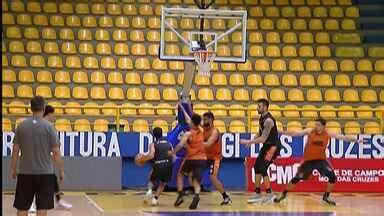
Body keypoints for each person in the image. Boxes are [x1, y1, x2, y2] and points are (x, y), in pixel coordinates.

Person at [274, 118, 363, 205]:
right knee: (297, 178)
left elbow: (344, 138)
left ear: (323, 126)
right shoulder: (310, 131)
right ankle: (283, 194)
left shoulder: (328, 134)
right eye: (315, 125)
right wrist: (280, 132)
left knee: (332, 177)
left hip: (321, 160)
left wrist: (356, 140)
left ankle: (326, 197)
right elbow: (295, 134)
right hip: (308, 161)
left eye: (318, 125)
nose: (316, 126)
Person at [10, 96, 64, 216]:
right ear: (43, 108)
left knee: (22, 208)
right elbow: (56, 152)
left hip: (25, 173)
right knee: (42, 209)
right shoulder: (49, 127)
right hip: (45, 174)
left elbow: (15, 150)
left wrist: (13, 169)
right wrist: (60, 171)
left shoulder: (21, 126)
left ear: (31, 108)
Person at [28, 105, 72, 212]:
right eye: (53, 115)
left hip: (44, 159)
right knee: (35, 181)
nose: (54, 117)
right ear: (49, 114)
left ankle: (58, 201)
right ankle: (31, 204)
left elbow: (53, 144)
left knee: (52, 178)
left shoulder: (48, 126)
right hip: (36, 158)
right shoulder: (43, 126)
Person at [240, 98, 282, 204]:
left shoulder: (268, 120)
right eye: (257, 106)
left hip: (273, 146)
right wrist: (252, 140)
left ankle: (270, 194)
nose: (257, 108)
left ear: (265, 107)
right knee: (256, 167)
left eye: (259, 106)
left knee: (263, 168)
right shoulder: (261, 118)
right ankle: (258, 193)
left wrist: (248, 142)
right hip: (266, 146)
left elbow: (263, 138)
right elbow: (260, 133)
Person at [173, 113, 207, 209]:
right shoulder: (202, 131)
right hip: (202, 159)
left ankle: (180, 195)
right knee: (196, 180)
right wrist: (184, 109)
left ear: (192, 123)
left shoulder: (188, 134)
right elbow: (190, 120)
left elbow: (180, 145)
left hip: (191, 159)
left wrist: (173, 153)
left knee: (180, 175)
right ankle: (196, 195)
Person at [202, 112, 231, 205]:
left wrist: (196, 143)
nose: (204, 121)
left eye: (206, 119)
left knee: (213, 177)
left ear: (211, 120)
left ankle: (226, 197)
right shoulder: (203, 129)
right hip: (205, 157)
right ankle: (194, 192)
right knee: (192, 171)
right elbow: (191, 121)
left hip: (215, 158)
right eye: (203, 119)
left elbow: (208, 144)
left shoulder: (214, 131)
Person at [141, 127, 174, 206]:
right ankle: (155, 199)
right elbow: (172, 154)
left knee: (151, 178)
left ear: (154, 135)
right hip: (167, 165)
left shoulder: (153, 144)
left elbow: (152, 155)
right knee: (162, 183)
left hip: (158, 164)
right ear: (162, 133)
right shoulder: (169, 143)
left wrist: (144, 159)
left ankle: (149, 190)